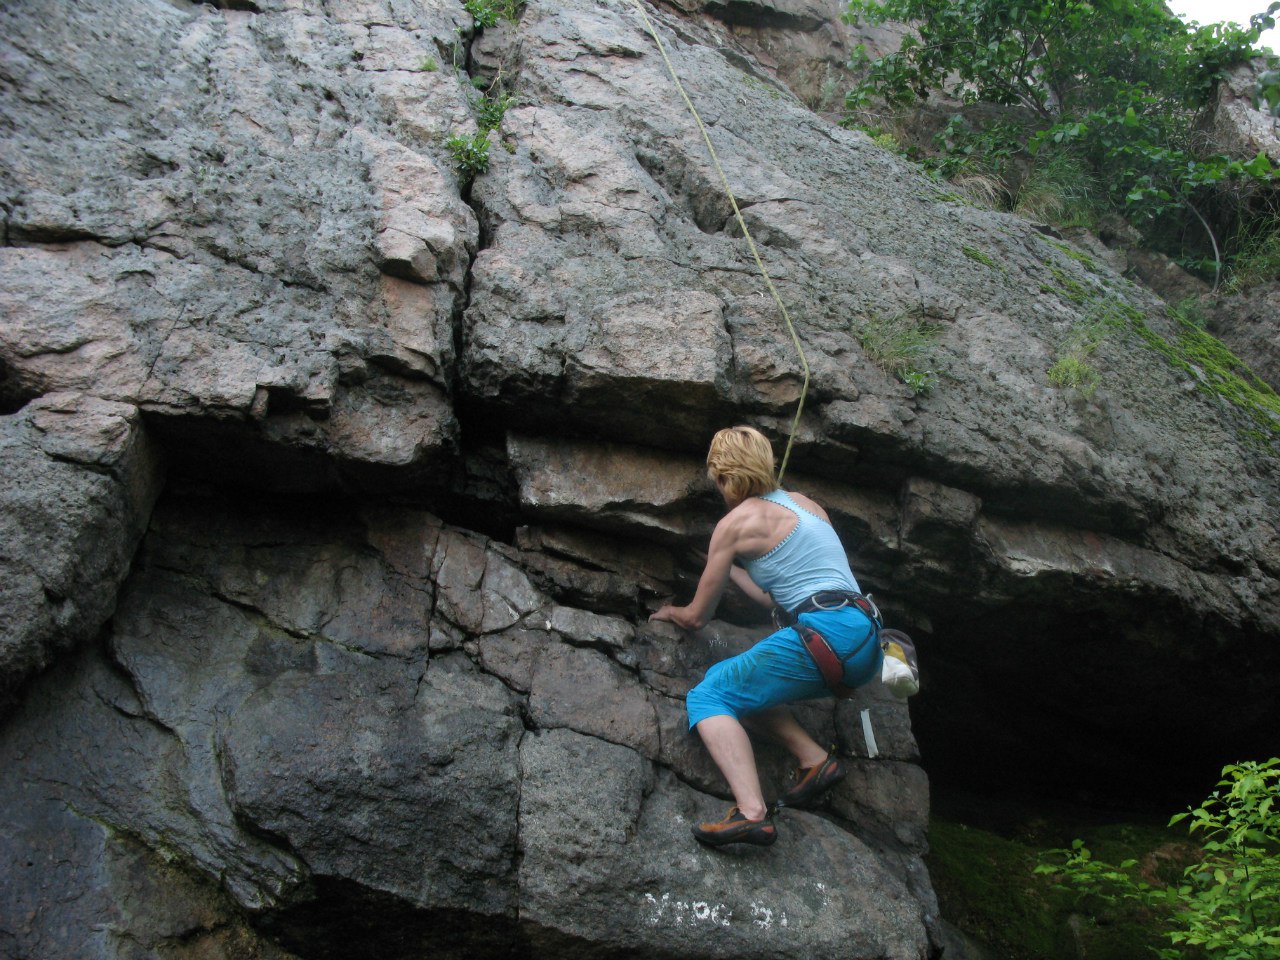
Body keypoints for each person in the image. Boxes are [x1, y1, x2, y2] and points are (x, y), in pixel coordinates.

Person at [649, 425, 883, 847]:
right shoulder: (807, 505)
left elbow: (697, 618)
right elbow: (777, 596)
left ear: (722, 476)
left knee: (711, 694)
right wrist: (728, 568)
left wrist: (672, 611)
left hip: (825, 636)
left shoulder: (735, 524)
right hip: (865, 637)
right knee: (749, 692)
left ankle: (751, 814)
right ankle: (815, 761)